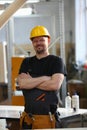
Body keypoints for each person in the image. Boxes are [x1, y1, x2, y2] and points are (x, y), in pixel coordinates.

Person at [17, 25, 67, 129]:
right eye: (35, 41)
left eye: (41, 40)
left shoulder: (56, 61)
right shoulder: (26, 62)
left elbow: (54, 85)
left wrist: (30, 81)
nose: (38, 43)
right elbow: (21, 83)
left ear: (48, 41)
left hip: (48, 120)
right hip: (28, 120)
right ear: (32, 43)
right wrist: (45, 78)